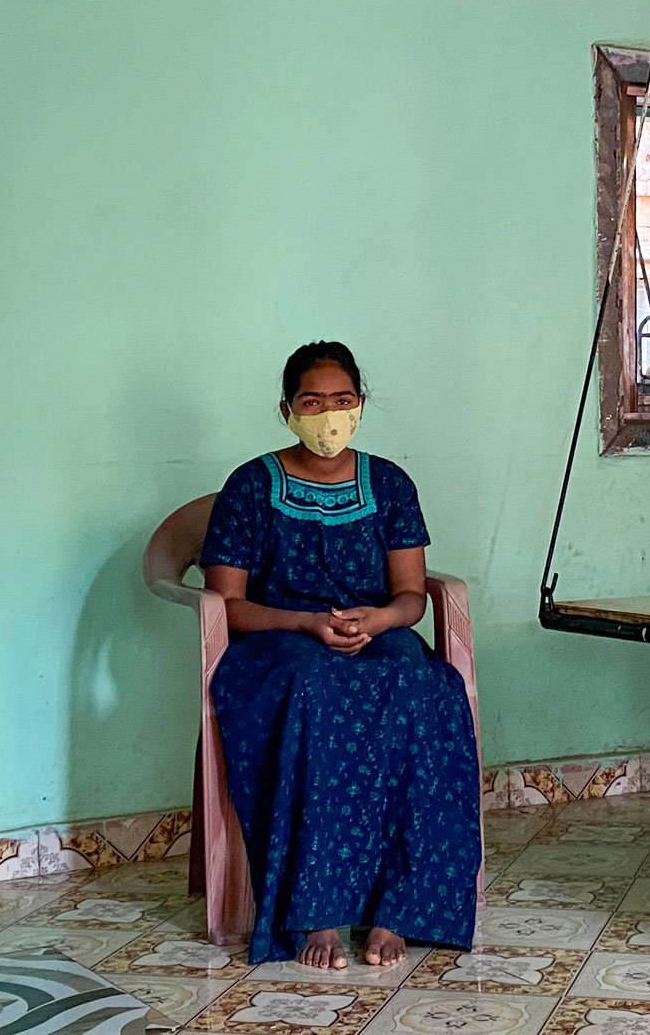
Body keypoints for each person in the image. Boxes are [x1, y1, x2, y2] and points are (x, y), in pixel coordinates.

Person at [200, 341, 480, 968]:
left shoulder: (390, 484)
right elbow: (229, 605)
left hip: (374, 633)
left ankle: (397, 908)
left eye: (342, 400)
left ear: (359, 406)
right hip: (278, 645)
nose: (328, 414)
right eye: (312, 401)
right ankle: (316, 914)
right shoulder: (249, 486)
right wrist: (304, 622)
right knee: (317, 689)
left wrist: (380, 617)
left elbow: (411, 596)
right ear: (287, 409)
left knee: (423, 685)